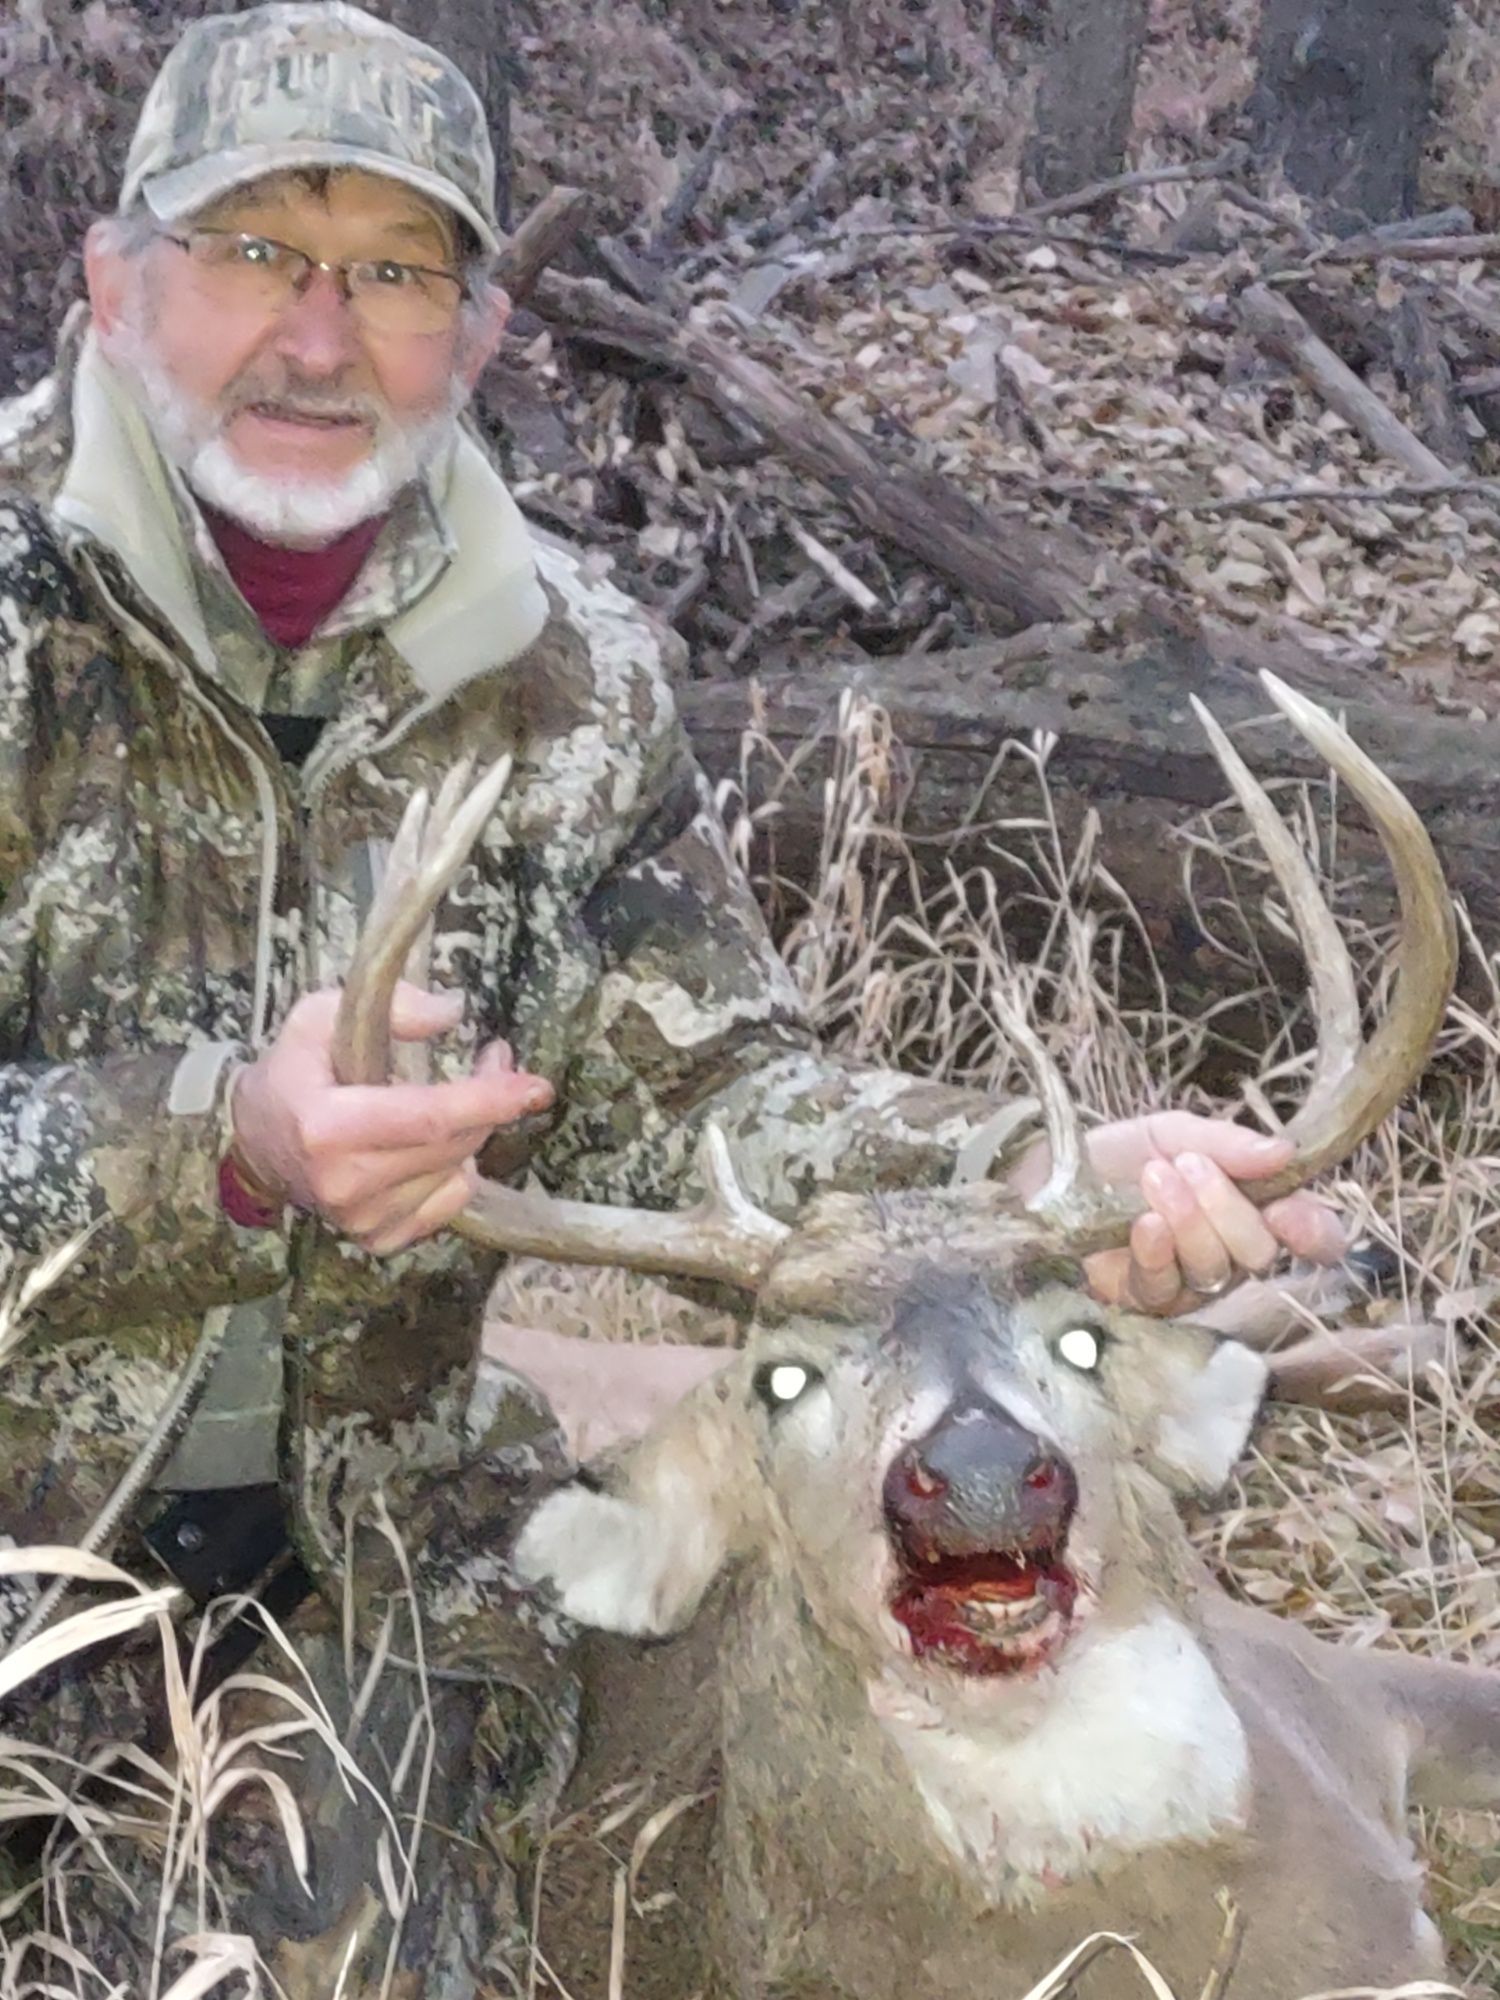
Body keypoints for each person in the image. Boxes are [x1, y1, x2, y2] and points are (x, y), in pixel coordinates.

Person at [0, 4, 1345, 1991]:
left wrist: (1024, 1179)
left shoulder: (568, 674)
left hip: (355, 1564)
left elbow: (712, 1089)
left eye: (394, 274)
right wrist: (218, 1151)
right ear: (117, 286)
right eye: (255, 252)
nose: (318, 336)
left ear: (475, 337)